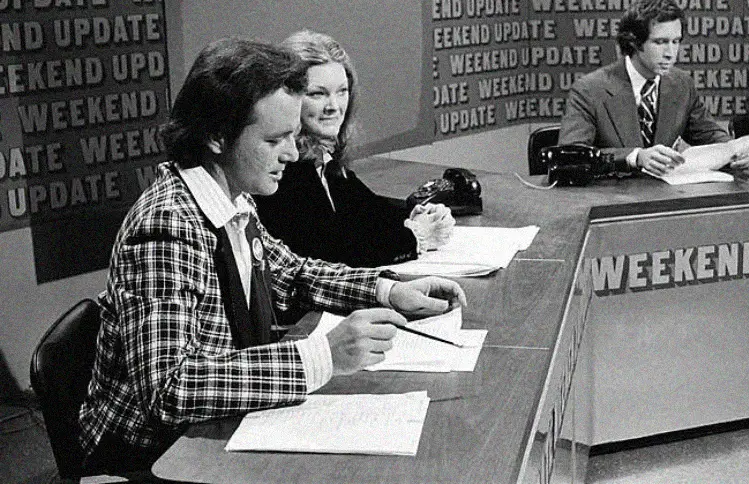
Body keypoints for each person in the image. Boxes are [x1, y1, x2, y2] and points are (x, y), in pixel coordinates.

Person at [77, 38, 466, 473]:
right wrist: (324, 356)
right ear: (216, 136)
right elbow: (171, 387)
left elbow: (293, 275)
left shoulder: (233, 198)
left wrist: (389, 290)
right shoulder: (167, 226)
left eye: (293, 137)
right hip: (149, 459)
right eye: (275, 139)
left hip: (216, 431)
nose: (293, 153)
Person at [255, 30, 454, 267]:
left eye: (342, 92)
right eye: (318, 94)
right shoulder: (284, 166)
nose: (334, 106)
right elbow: (331, 252)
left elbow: (364, 211)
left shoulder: (322, 157)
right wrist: (415, 236)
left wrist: (418, 216)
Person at [559, 0, 749, 177]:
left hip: (665, 198)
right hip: (612, 198)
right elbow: (570, 157)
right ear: (634, 42)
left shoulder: (682, 84)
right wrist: (635, 158)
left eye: (676, 42)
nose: (670, 53)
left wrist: (734, 150)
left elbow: (709, 133)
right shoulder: (589, 90)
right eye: (660, 42)